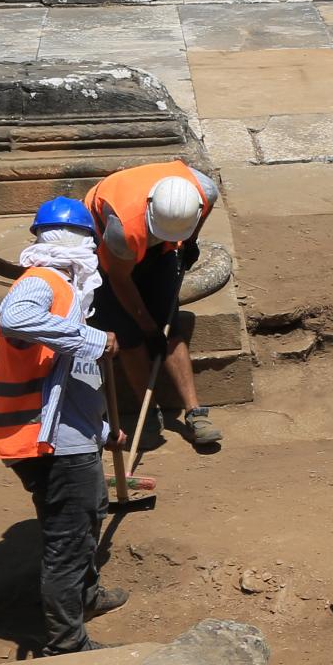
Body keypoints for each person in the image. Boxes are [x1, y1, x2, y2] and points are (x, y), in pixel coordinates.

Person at [0, 197, 129, 657]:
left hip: (65, 435)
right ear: (83, 242)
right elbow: (17, 317)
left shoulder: (65, 288)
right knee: (68, 540)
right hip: (49, 446)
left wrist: (104, 434)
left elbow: (61, 382)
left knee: (89, 515)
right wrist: (94, 338)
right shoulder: (43, 280)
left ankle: (86, 597)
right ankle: (67, 644)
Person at [83, 158, 223, 451]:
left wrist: (191, 241)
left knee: (169, 325)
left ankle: (195, 412)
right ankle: (149, 412)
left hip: (156, 239)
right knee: (129, 333)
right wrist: (147, 326)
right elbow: (120, 279)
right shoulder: (121, 228)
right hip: (108, 254)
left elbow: (195, 221)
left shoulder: (204, 191)